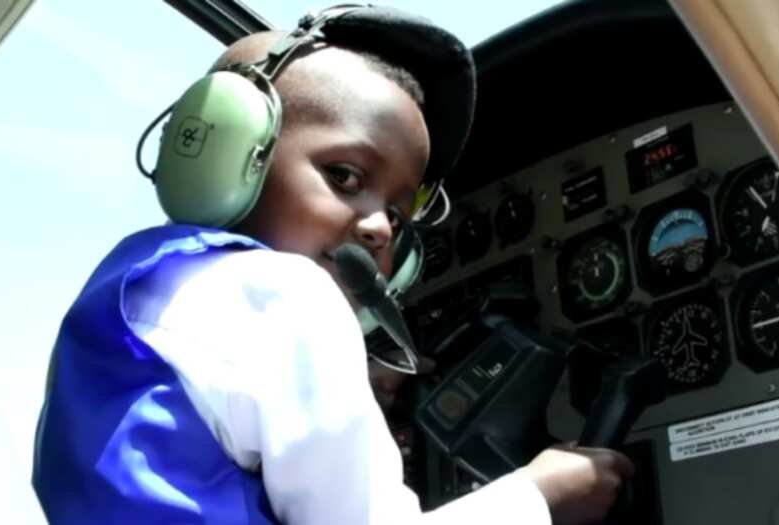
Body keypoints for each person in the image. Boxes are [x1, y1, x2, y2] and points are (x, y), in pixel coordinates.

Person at [32, 5, 634, 524]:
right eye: (345, 176)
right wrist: (543, 496)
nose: (377, 227)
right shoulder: (291, 294)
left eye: (398, 216)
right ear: (232, 151)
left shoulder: (131, 286)